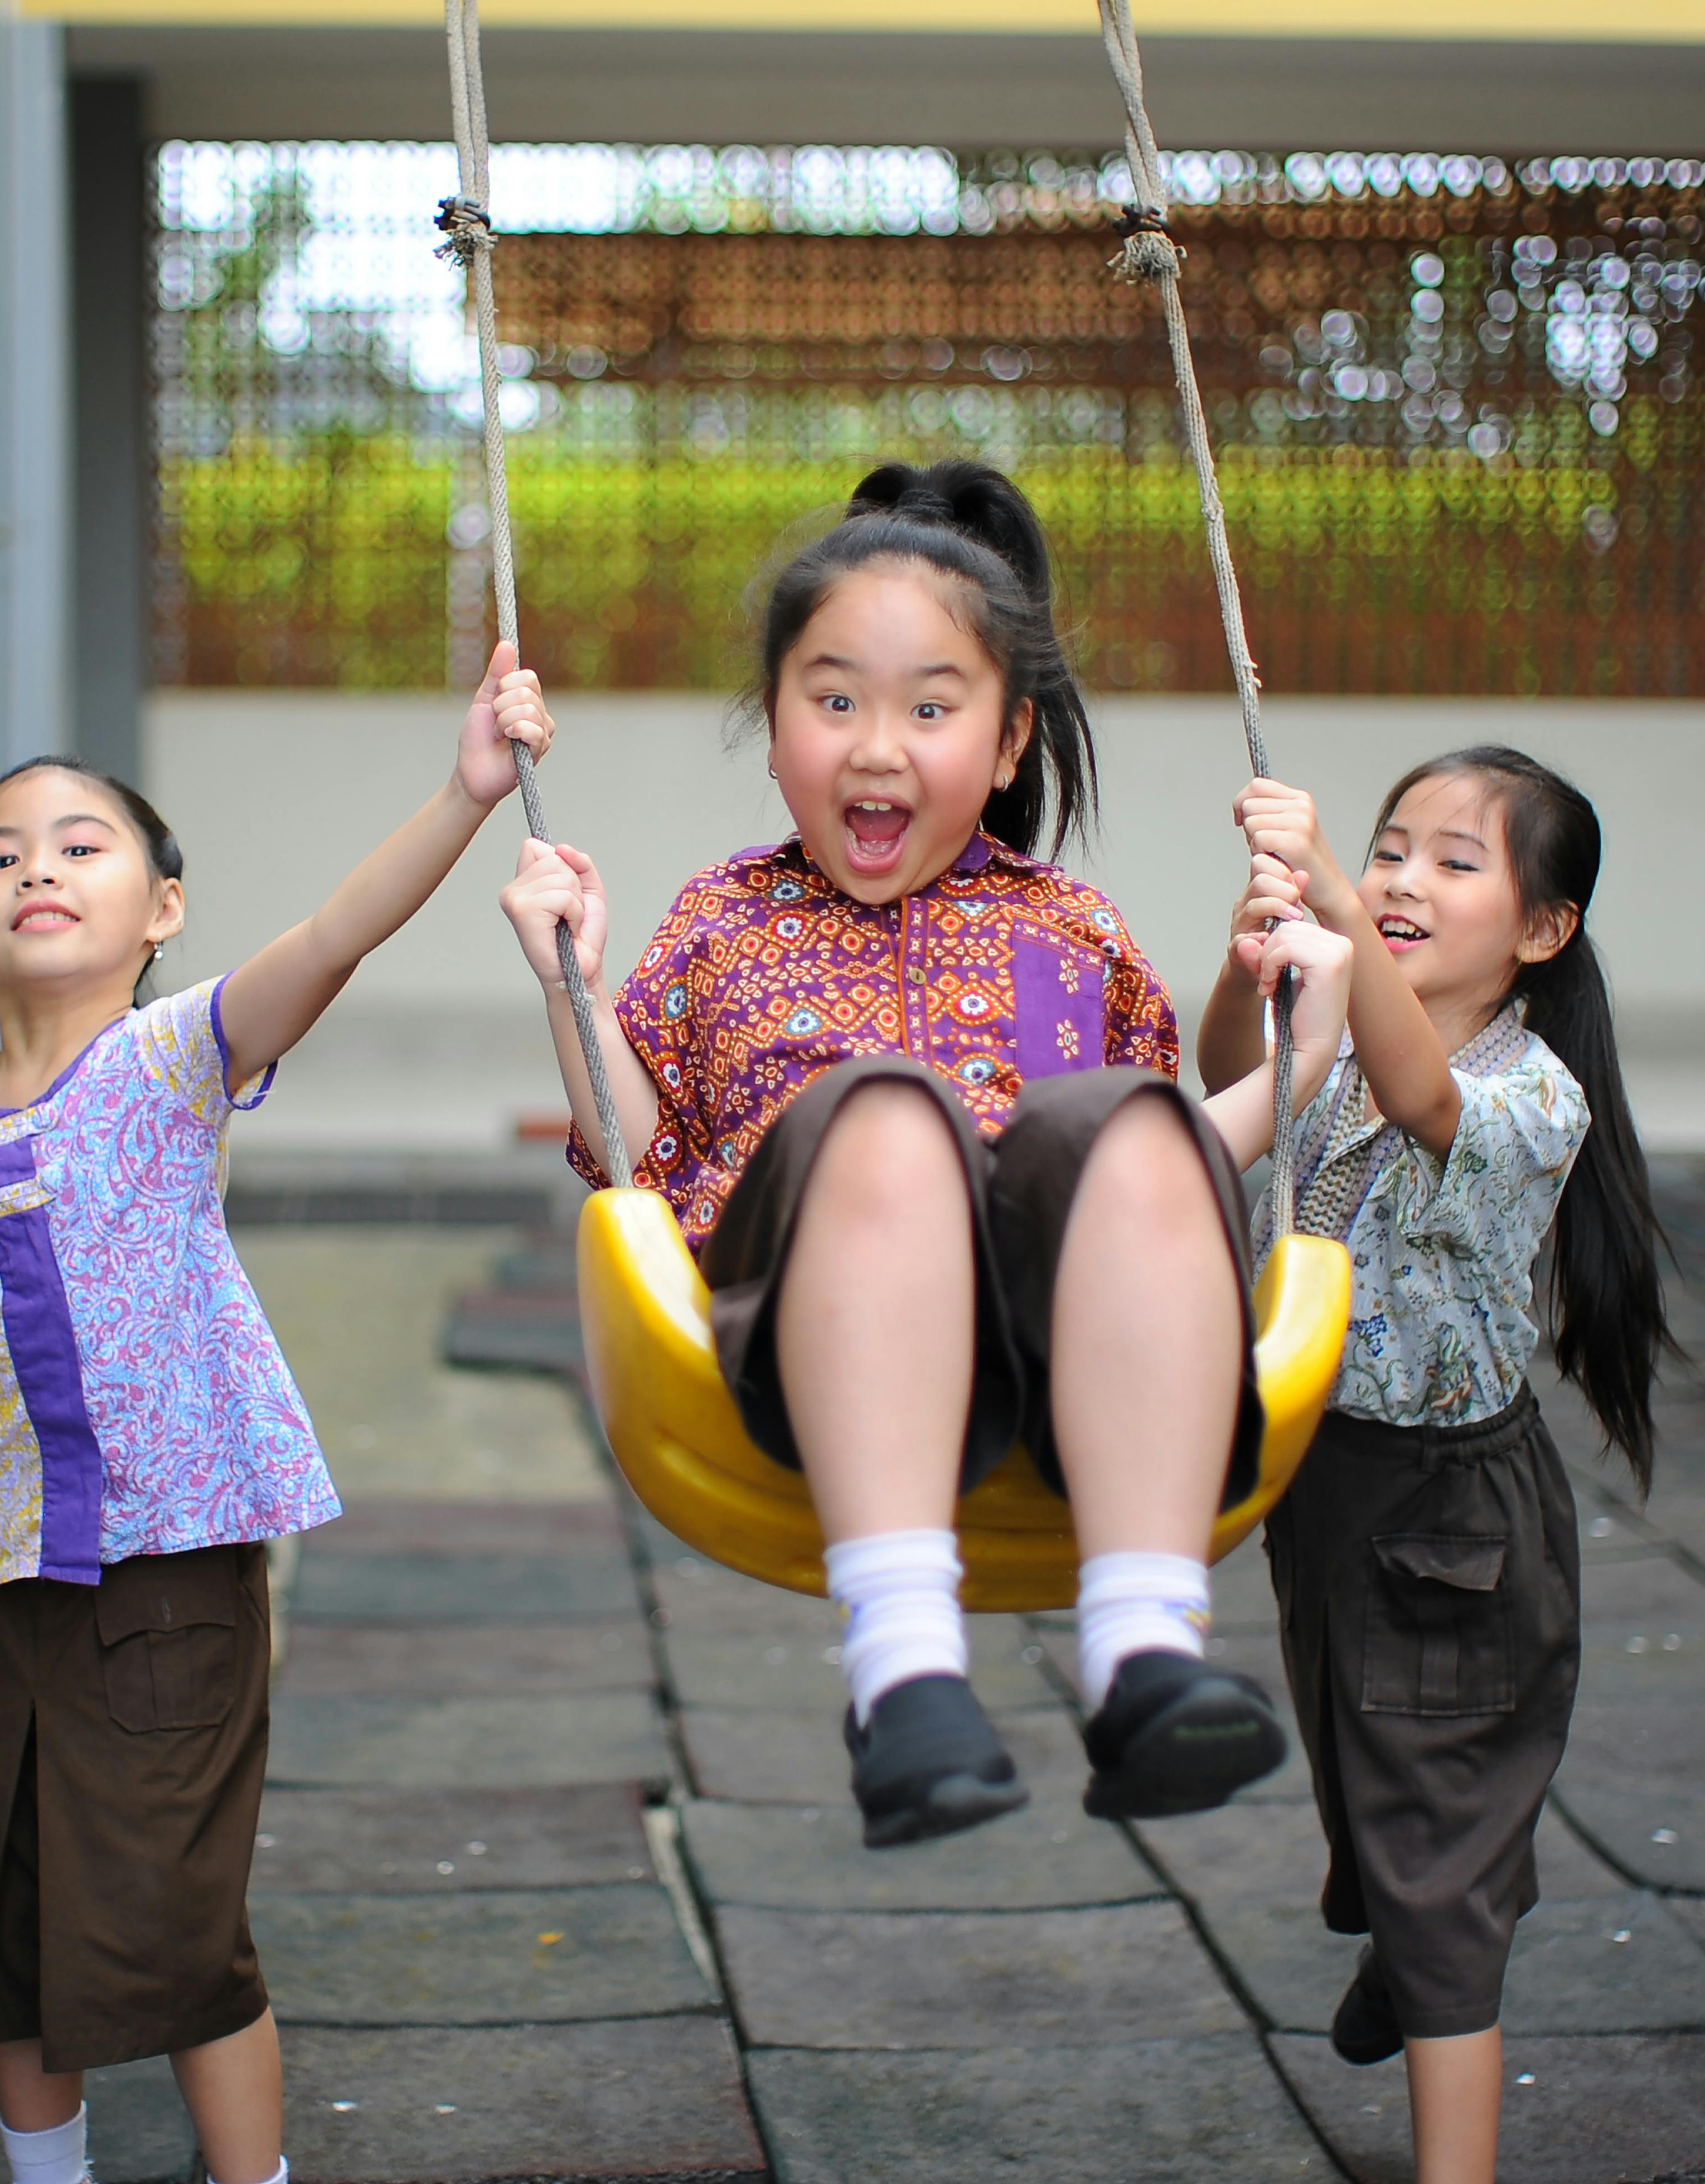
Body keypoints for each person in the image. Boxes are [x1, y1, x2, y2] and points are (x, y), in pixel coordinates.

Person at [498, 459, 1353, 1849]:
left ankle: (1144, 1655)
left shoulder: (1076, 931)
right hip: (798, 1335)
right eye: (833, 700)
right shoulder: (722, 922)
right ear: (772, 733)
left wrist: (1297, 1077)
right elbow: (636, 1157)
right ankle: (902, 1669)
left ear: (1010, 743)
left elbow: (1141, 1197)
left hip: (1036, 1351)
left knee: (1118, 1126)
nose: (878, 746)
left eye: (931, 707)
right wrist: (571, 989)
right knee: (888, 1115)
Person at [0, 652, 556, 2184]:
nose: (35, 868)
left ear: (161, 908)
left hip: (165, 1577)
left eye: (82, 843)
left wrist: (469, 793)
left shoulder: (172, 1063)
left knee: (173, 1923)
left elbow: (337, 934)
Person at [1195, 745, 1668, 2184]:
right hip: (1322, 1481)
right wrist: (1258, 962)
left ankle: (1437, 1984)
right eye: (1394, 846)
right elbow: (1238, 1080)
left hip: (1448, 1510)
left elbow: (1418, 1098)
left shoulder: (1531, 1096)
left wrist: (1332, 883)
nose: (1402, 877)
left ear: (1543, 931)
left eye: (1454, 860)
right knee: (1366, 1782)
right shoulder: (1347, 1027)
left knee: (1430, 1847)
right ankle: (1414, 1933)